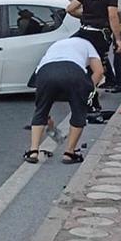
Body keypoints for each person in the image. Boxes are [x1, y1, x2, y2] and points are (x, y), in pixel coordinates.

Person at [24, 36, 104, 164]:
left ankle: (33, 151)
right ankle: (69, 153)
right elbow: (99, 72)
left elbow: (39, 88)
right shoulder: (88, 44)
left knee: (40, 111)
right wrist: (88, 88)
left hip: (45, 72)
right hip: (74, 72)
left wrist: (46, 116)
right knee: (79, 112)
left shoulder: (56, 44)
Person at [66, 0, 121, 94]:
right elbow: (113, 16)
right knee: (97, 63)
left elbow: (70, 9)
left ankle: (81, 88)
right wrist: (118, 39)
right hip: (100, 34)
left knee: (83, 59)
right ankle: (89, 93)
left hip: (84, 31)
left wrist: (85, 15)